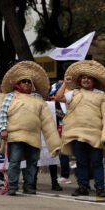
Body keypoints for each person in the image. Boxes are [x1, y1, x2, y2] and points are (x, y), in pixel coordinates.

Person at [0, 61, 61, 196]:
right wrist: (3, 129)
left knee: (32, 161)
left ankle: (29, 185)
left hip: (33, 135)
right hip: (16, 134)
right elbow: (3, 113)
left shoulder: (38, 98)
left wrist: (55, 143)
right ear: (18, 84)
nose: (27, 84)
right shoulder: (10, 96)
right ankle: (12, 186)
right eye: (24, 81)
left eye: (29, 82)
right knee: (15, 161)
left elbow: (47, 120)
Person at [55, 60, 105, 197]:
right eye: (83, 78)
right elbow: (58, 97)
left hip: (95, 134)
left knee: (96, 162)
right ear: (79, 81)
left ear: (94, 81)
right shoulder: (74, 93)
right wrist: (65, 83)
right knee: (81, 162)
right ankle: (83, 187)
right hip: (77, 134)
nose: (86, 80)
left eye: (89, 78)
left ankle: (100, 187)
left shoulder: (101, 95)